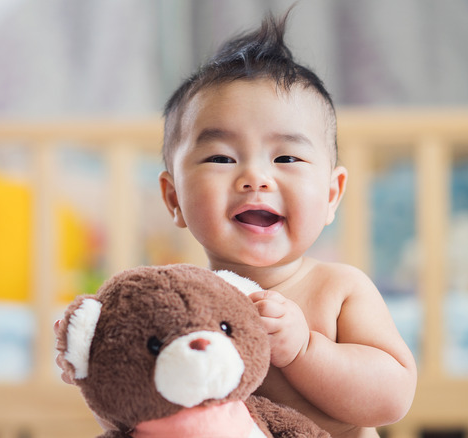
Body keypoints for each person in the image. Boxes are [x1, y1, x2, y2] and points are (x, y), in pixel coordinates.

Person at [157, 9, 416, 438]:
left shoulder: (339, 291)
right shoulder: (180, 301)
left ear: (332, 194)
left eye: (286, 158)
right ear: (174, 199)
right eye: (221, 157)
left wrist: (304, 351)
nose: (255, 177)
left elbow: (392, 398)